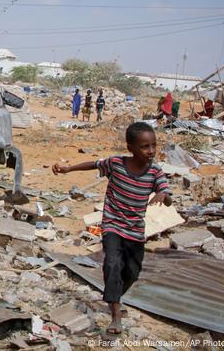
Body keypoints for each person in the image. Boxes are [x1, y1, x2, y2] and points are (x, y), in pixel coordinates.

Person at [52, 122, 172, 335]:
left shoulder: (155, 171)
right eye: (145, 146)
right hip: (113, 225)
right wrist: (68, 169)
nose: (151, 151)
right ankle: (116, 315)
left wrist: (164, 196)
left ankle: (114, 295)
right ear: (130, 148)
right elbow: (94, 164)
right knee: (112, 264)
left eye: (154, 145)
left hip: (135, 230)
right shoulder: (116, 163)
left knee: (132, 272)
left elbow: (165, 192)